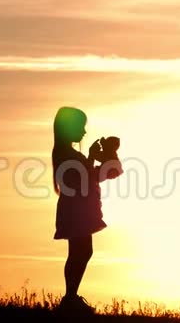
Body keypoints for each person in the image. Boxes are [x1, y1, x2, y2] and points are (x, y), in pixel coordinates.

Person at [51, 106, 122, 314]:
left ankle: (71, 297)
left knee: (81, 251)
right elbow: (82, 178)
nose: (83, 132)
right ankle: (70, 298)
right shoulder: (65, 154)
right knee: (79, 252)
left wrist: (104, 159)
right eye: (80, 127)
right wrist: (92, 157)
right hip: (76, 210)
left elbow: (90, 176)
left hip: (80, 209)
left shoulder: (67, 153)